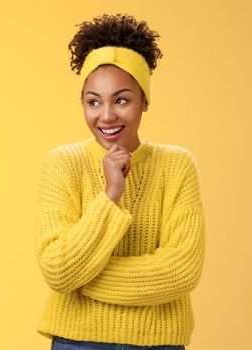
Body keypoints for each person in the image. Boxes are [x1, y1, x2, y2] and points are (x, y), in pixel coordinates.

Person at [35, 13, 206, 350]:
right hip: (77, 342)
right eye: (93, 101)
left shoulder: (177, 165)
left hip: (159, 344)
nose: (107, 115)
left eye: (122, 100)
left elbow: (181, 271)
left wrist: (84, 279)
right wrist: (111, 195)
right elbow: (57, 270)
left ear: (144, 101)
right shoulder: (63, 163)